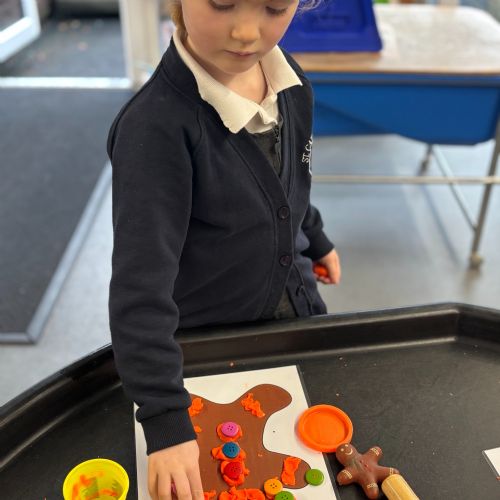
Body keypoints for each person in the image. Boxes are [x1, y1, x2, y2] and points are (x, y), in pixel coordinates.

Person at [107, 0, 341, 498]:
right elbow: (139, 290)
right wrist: (165, 420)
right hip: (209, 347)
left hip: (298, 316)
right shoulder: (153, 129)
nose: (247, 32)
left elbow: (291, 185)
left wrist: (315, 237)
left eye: (274, 6)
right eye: (222, 2)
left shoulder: (289, 80)